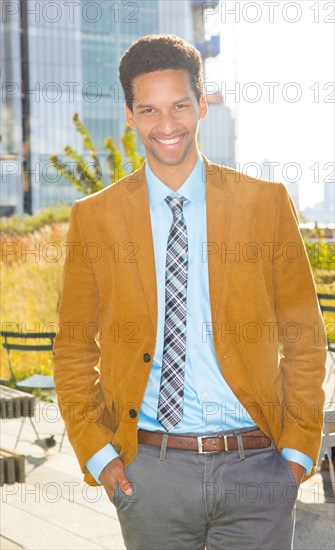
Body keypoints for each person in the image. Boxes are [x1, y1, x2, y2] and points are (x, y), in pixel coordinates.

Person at [54, 34, 327, 550]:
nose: (167, 125)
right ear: (131, 117)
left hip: (259, 468)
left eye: (179, 105)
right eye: (149, 110)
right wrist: (100, 456)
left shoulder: (264, 204)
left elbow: (304, 336)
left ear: (202, 105)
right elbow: (72, 347)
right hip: (149, 474)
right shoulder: (95, 218)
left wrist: (296, 452)